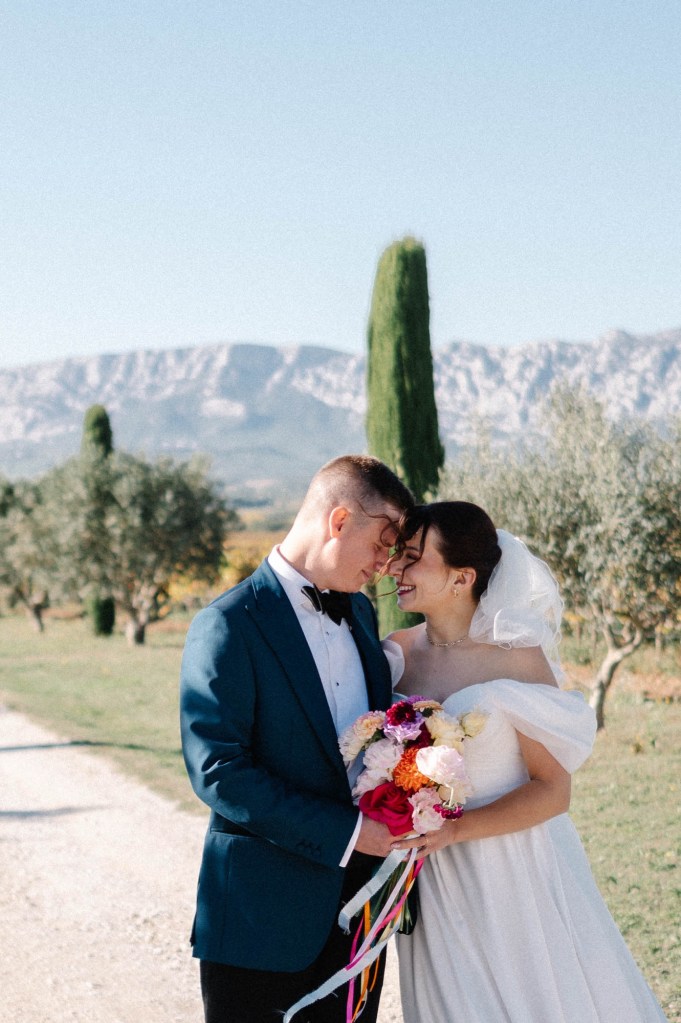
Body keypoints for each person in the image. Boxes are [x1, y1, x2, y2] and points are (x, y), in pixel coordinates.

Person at [383, 500, 668, 1023]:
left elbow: (553, 790)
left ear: (461, 577)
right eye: (398, 554)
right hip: (431, 876)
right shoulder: (395, 655)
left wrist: (456, 830)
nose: (395, 568)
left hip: (512, 869)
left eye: (413, 557)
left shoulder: (517, 657)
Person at [179, 455, 414, 1023]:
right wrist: (351, 833)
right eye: (382, 544)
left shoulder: (362, 614)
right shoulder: (228, 623)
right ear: (339, 521)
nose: (384, 566)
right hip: (261, 918)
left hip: (358, 915)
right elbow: (218, 771)